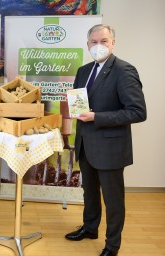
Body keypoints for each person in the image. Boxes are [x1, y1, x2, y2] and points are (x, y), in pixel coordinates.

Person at [64, 24, 146, 256]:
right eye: (94, 42)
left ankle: (112, 245)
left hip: (110, 148)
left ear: (112, 43)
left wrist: (96, 117)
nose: (98, 46)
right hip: (85, 144)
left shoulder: (124, 70)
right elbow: (80, 102)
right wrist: (75, 109)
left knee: (113, 200)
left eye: (104, 41)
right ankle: (90, 228)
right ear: (88, 44)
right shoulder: (83, 70)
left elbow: (138, 112)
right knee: (88, 192)